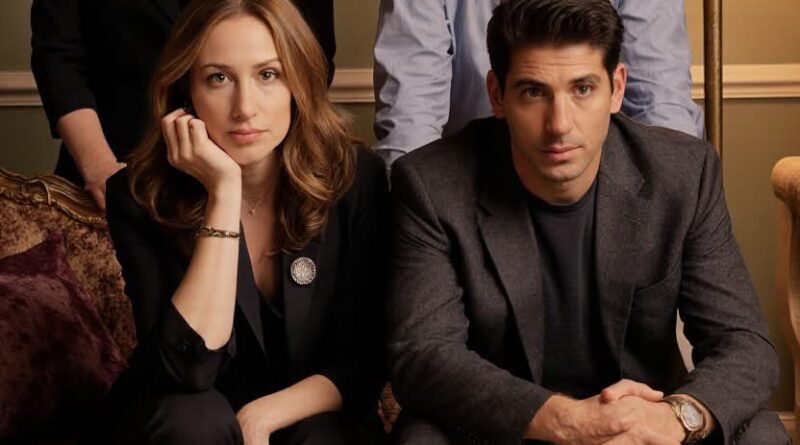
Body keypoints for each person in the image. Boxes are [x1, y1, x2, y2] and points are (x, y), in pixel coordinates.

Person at [385, 0, 789, 444]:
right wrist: (568, 421)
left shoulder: (682, 173)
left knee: (762, 434)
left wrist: (675, 418)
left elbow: (743, 344)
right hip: (507, 428)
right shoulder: (432, 185)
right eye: (533, 92)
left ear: (616, 89)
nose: (559, 124)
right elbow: (423, 354)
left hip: (643, 424)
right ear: (497, 95)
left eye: (582, 89)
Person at [91, 0, 387, 443]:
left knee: (325, 436)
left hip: (312, 415)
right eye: (219, 78)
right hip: (181, 423)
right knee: (196, 418)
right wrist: (224, 192)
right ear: (186, 91)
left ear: (298, 82)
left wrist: (261, 417)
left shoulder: (356, 178)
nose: (245, 107)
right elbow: (186, 368)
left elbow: (363, 360)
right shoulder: (140, 195)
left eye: (268, 74)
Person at [30, 0, 335, 210]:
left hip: (267, 180)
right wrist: (100, 169)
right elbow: (58, 55)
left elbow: (312, 56)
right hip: (119, 168)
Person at [373, 0, 704, 168]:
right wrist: (422, 223)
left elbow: (661, 105)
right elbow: (410, 118)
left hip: (600, 189)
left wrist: (672, 222)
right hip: (466, 185)